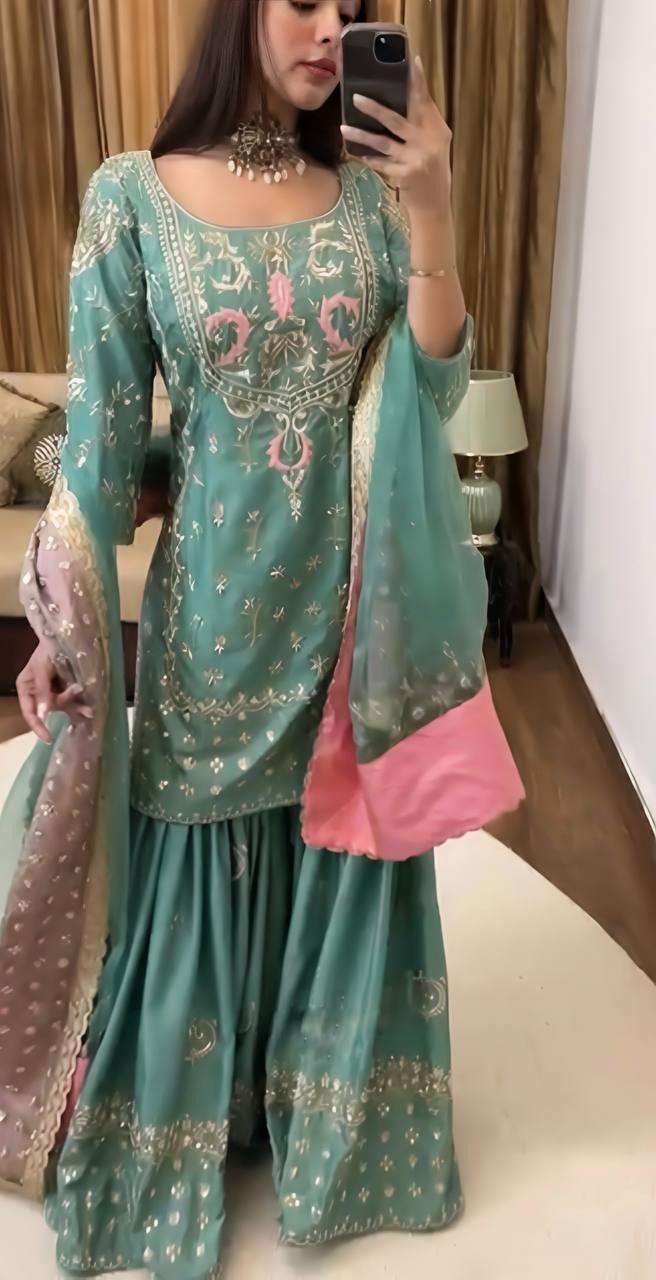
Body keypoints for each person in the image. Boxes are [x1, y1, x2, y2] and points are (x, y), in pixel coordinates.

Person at [0, 1, 524, 1275]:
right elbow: (102, 435)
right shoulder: (132, 197)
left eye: (349, 7)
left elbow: (431, 384)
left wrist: (433, 209)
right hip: (212, 623)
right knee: (196, 829)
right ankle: (199, 1107)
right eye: (301, 1)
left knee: (337, 829)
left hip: (349, 614)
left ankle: (336, 1121)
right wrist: (60, 617)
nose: (328, 30)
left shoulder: (367, 199)